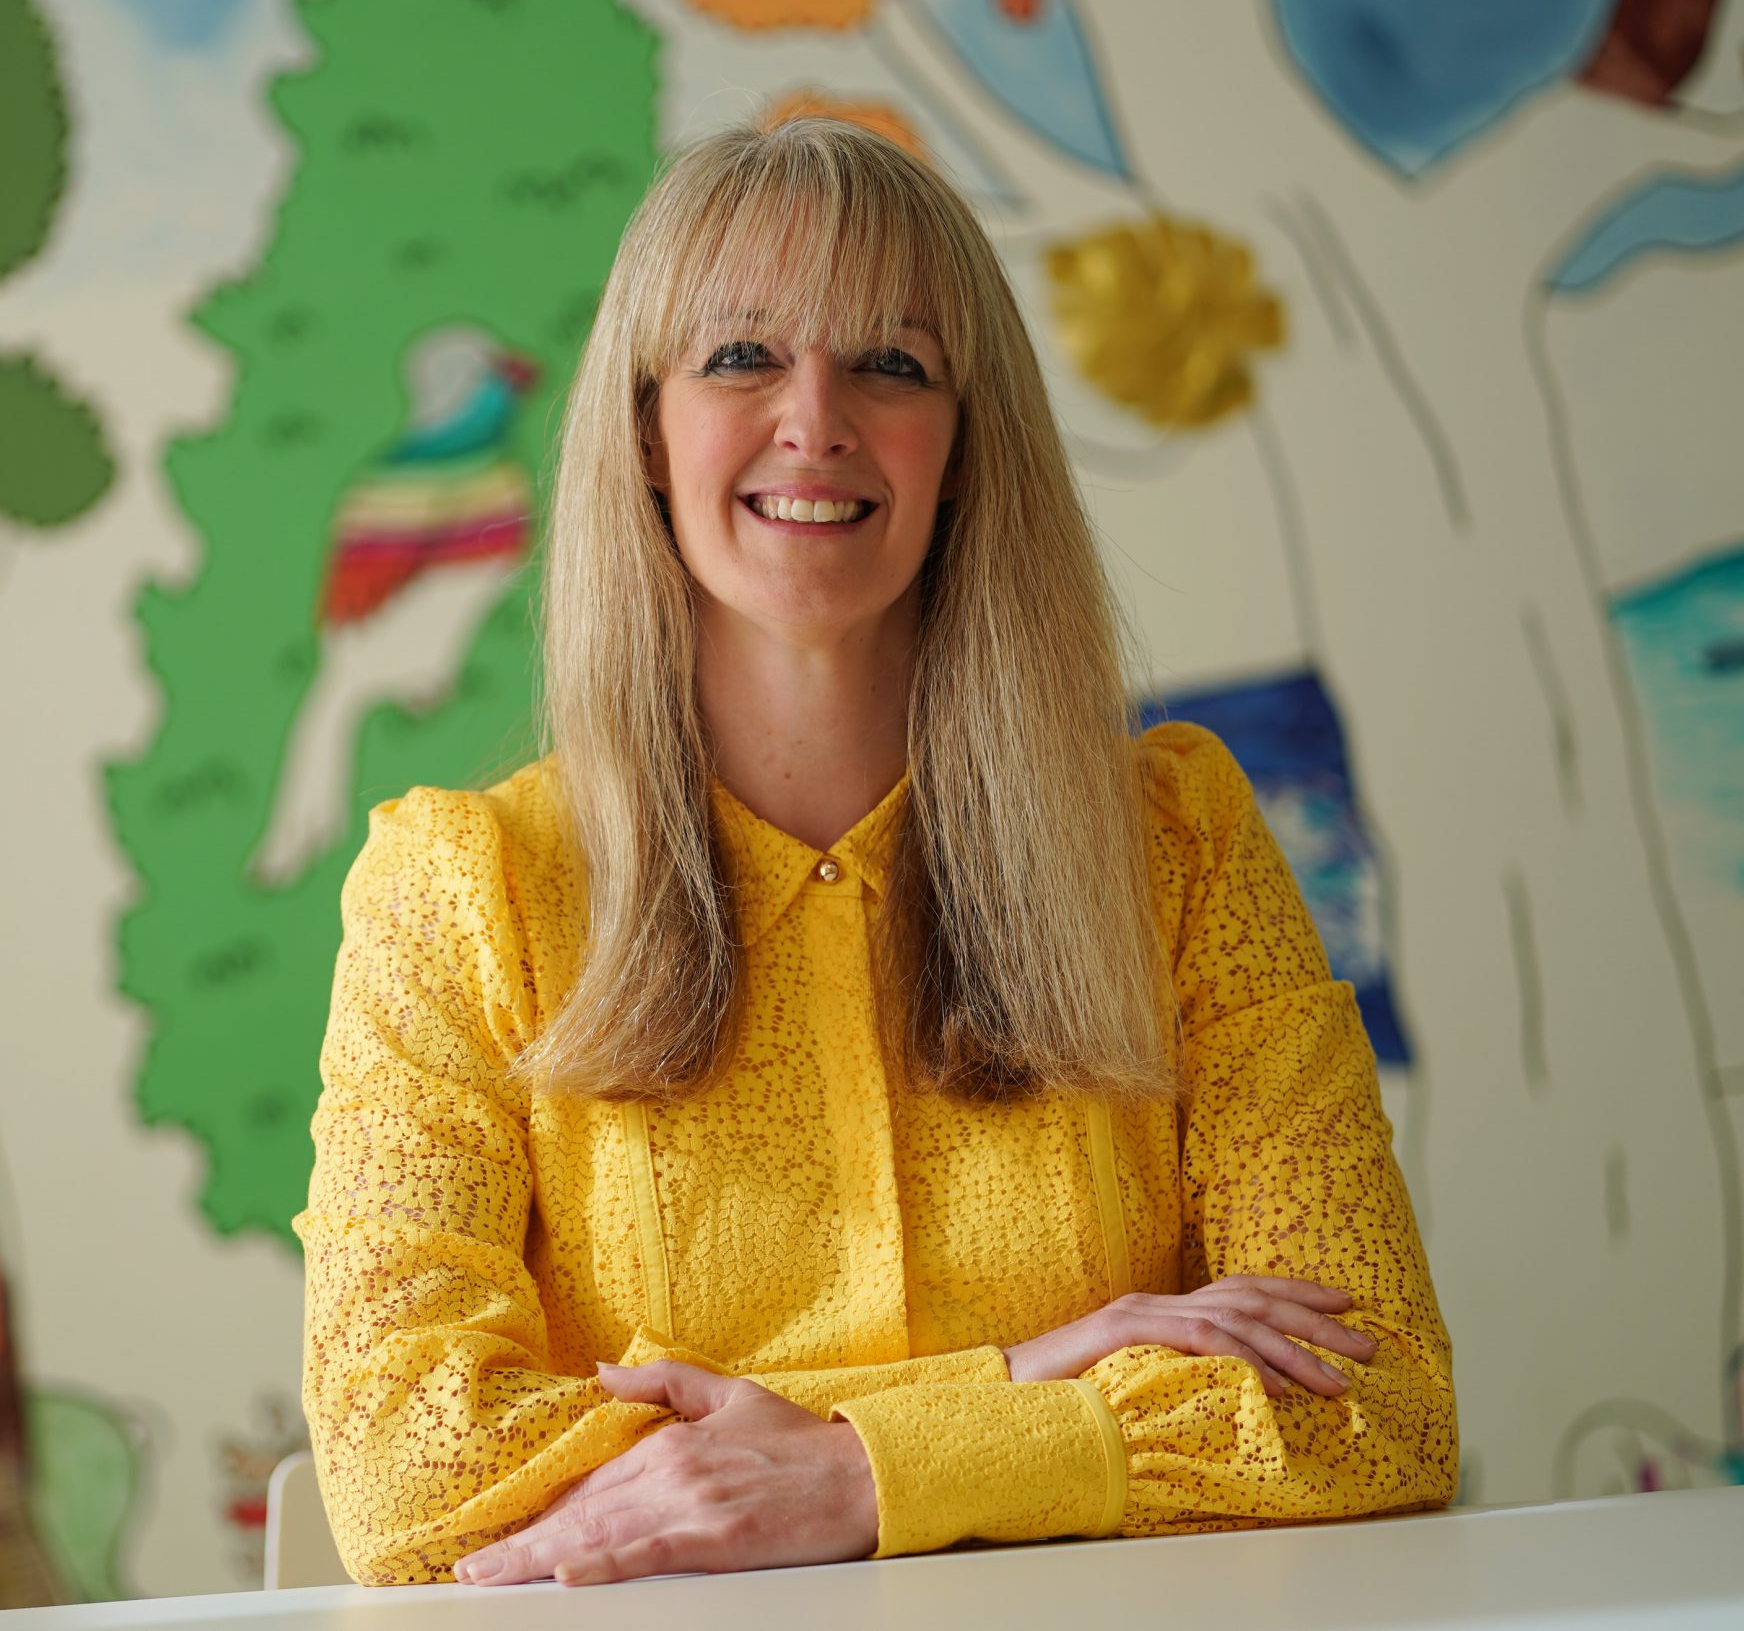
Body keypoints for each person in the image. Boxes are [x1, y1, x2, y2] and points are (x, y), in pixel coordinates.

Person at [291, 115, 1456, 1590]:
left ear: (966, 445)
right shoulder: (460, 898)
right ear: (645, 431)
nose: (815, 418)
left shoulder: (1182, 846)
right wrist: (1027, 1385)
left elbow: (1380, 1400)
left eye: (892, 364)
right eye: (740, 357)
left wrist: (853, 1472)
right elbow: (406, 1472)